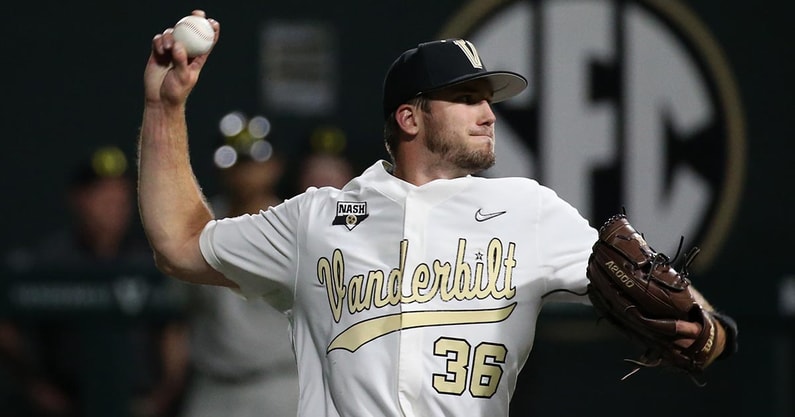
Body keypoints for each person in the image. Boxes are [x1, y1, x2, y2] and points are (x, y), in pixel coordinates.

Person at [138, 10, 737, 417]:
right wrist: (164, 107)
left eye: (489, 99)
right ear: (410, 118)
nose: (489, 113)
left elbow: (652, 289)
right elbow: (179, 242)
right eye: (467, 98)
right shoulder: (317, 219)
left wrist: (712, 331)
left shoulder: (528, 209)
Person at [1, 146, 189, 417]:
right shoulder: (51, 261)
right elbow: (7, 321)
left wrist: (163, 394)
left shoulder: (150, 261)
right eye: (101, 194)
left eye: (121, 195)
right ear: (78, 199)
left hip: (138, 401)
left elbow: (175, 331)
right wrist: (35, 385)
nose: (113, 204)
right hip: (71, 402)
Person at [178, 112, 299, 417]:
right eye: (236, 162)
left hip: (279, 383)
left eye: (253, 161)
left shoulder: (296, 224)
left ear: (276, 164)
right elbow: (178, 316)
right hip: (213, 385)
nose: (244, 172)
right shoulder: (198, 224)